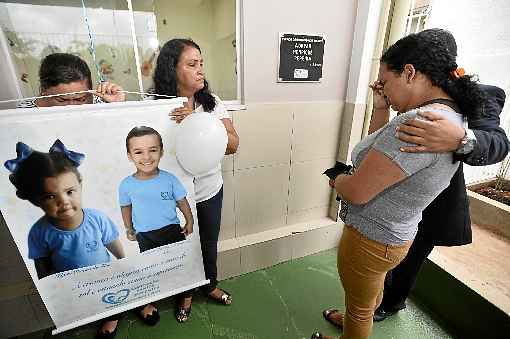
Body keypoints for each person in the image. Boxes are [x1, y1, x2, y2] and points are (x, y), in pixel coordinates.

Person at [312, 29, 485, 339]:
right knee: (368, 298)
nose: (384, 89)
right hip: (396, 235)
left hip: (370, 236)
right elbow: (377, 158)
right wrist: (381, 107)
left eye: (386, 82)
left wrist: (336, 178)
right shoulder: (449, 119)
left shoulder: (417, 122)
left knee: (361, 309)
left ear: (409, 73)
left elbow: (359, 190)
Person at [370, 29, 510, 321]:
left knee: (410, 261)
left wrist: (460, 138)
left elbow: (498, 144)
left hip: (434, 200)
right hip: (395, 194)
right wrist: (382, 104)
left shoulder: (480, 95)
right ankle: (371, 304)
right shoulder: (409, 94)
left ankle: (389, 303)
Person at [152, 38, 239, 322]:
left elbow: (234, 144)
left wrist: (200, 122)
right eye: (192, 64)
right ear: (171, 69)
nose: (201, 70)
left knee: (207, 243)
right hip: (172, 197)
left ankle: (210, 285)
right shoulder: (152, 106)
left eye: (201, 63)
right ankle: (186, 293)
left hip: (209, 190)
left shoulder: (211, 106)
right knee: (182, 245)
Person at [4, 139, 125, 339]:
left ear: (80, 185)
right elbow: (41, 263)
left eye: (69, 192)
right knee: (79, 306)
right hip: (71, 284)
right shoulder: (39, 232)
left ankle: (113, 318)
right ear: (35, 199)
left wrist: (124, 262)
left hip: (105, 277)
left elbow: (112, 241)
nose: (64, 202)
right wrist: (49, 288)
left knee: (113, 300)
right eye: (50, 196)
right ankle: (77, 320)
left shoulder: (96, 219)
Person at [118, 126, 194, 324]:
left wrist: (190, 220)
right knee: (152, 269)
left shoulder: (169, 179)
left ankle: (186, 298)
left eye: (152, 150)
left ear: (161, 151)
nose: (146, 157)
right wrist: (129, 228)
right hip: (145, 236)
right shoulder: (126, 185)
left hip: (172, 232)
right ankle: (151, 300)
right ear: (129, 156)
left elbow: (182, 202)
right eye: (138, 152)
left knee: (181, 267)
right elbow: (125, 208)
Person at [17, 53, 125, 108]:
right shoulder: (24, 114)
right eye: (62, 100)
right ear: (44, 90)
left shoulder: (101, 103)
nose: (72, 106)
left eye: (80, 99)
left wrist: (117, 106)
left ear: (90, 90)